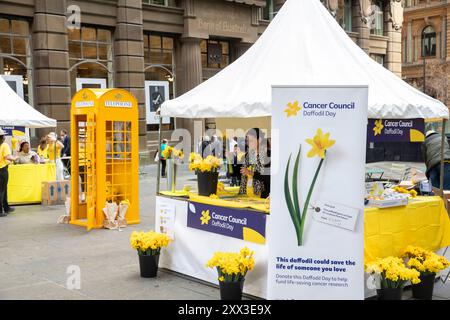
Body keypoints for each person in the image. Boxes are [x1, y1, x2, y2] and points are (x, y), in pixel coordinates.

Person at [239, 128, 271, 199]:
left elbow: (269, 178)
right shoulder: (248, 155)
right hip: (248, 195)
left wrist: (251, 173)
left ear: (259, 140)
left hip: (265, 196)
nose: (248, 143)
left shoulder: (268, 155)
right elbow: (242, 175)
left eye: (251, 141)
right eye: (247, 141)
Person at [0, 129, 18, 217]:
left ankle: (6, 207)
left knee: (3, 189)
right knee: (2, 190)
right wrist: (15, 158)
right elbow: (7, 157)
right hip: (2, 170)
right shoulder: (4, 145)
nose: (4, 137)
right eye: (3, 136)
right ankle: (1, 211)